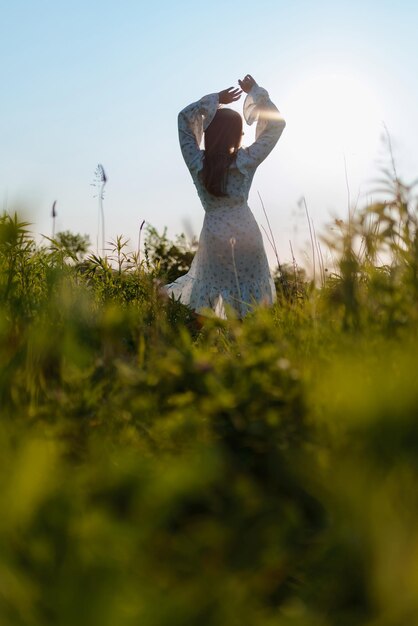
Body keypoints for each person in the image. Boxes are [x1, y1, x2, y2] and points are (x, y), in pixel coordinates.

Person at [166, 74, 286, 319]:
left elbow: (182, 120)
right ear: (237, 135)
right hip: (246, 235)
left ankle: (208, 350)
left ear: (209, 134)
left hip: (213, 236)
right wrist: (256, 93)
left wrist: (214, 100)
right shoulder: (245, 161)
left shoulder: (197, 163)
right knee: (250, 305)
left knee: (209, 305)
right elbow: (277, 125)